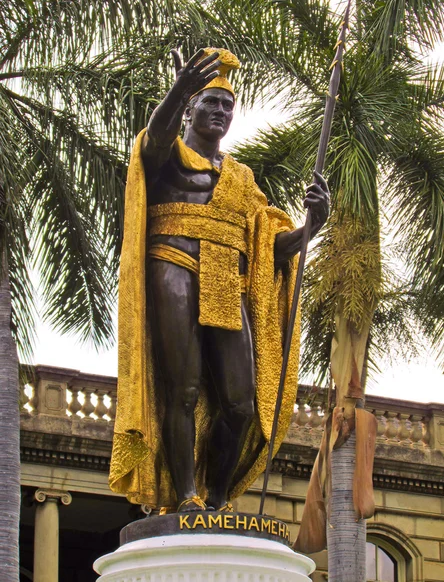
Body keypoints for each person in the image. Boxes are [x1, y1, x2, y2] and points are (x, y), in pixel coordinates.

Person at [109, 48, 329, 513]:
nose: (220, 112)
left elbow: (271, 247)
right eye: (210, 101)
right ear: (190, 106)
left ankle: (217, 497)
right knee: (183, 388)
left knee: (240, 404)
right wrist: (179, 89)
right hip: (172, 263)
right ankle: (186, 496)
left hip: (226, 279)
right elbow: (154, 139)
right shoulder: (169, 151)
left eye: (228, 106)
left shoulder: (241, 178)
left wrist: (312, 226)